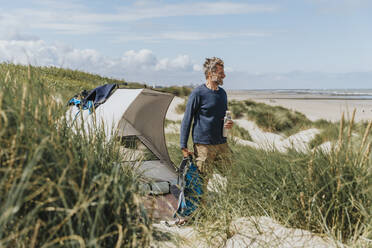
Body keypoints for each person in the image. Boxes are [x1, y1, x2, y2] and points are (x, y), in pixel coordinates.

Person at [178, 57, 233, 223]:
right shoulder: (198, 93)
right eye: (221, 72)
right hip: (203, 146)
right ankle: (198, 216)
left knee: (234, 174)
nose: (224, 75)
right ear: (210, 73)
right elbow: (187, 119)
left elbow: (223, 118)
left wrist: (229, 124)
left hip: (222, 144)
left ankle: (229, 207)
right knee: (202, 183)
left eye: (223, 71)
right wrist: (183, 145)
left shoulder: (222, 94)